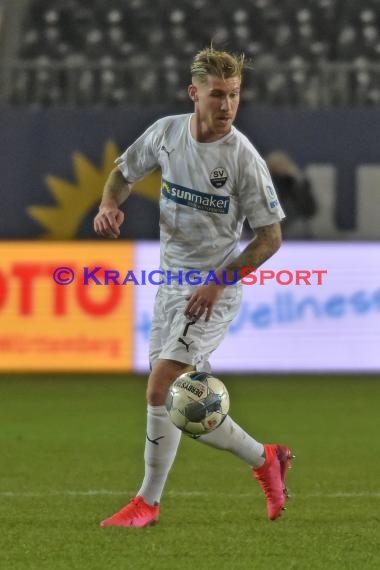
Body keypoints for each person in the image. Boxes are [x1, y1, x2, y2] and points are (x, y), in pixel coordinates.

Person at [94, 47, 294, 528]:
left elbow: (270, 238)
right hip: (170, 288)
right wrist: (108, 205)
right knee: (185, 405)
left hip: (212, 292)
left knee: (161, 386)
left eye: (235, 96)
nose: (226, 106)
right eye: (217, 95)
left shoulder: (243, 158)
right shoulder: (166, 133)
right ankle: (266, 459)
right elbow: (122, 173)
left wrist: (216, 283)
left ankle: (148, 502)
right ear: (194, 94)